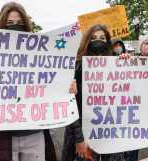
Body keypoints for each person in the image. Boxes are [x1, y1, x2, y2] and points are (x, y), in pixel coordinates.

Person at [0, 2, 56, 161]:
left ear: (26, 26)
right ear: (1, 26)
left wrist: (66, 88)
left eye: (19, 24)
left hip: (33, 134)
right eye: (10, 23)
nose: (15, 27)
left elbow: (53, 84)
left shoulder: (40, 57)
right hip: (0, 136)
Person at [61, 24, 128, 161]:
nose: (98, 41)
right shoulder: (76, 67)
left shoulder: (116, 64)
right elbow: (70, 107)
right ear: (87, 41)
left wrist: (128, 66)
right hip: (84, 137)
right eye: (93, 38)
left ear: (108, 41)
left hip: (111, 136)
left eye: (102, 38)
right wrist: (79, 139)